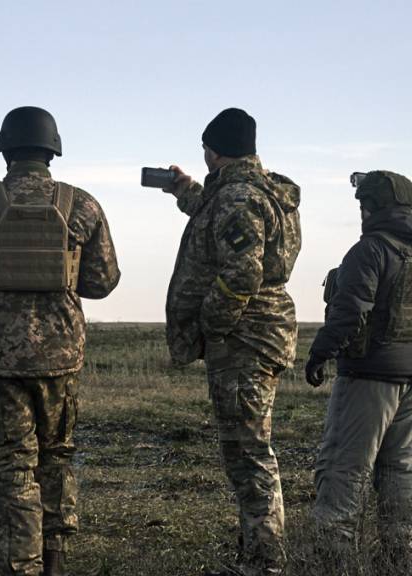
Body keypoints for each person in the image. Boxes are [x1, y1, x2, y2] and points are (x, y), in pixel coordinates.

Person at [0, 106, 120, 576]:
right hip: (60, 360)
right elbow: (102, 282)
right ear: (52, 151)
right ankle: (54, 562)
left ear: (5, 151)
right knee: (56, 459)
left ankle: (22, 568)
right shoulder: (82, 205)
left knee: (12, 470)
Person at [162, 108, 301, 576]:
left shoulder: (238, 197)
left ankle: (265, 562)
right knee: (246, 447)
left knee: (248, 452)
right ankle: (256, 550)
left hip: (245, 339)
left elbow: (243, 271)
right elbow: (215, 216)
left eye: (205, 149)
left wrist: (211, 323)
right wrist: (183, 190)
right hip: (260, 333)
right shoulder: (259, 190)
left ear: (213, 151)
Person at [305, 170, 412, 566]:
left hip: (368, 376)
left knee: (343, 467)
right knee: (400, 470)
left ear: (373, 207)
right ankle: (400, 557)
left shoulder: (370, 250)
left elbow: (350, 313)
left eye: (364, 204)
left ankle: (332, 561)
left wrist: (320, 353)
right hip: (408, 380)